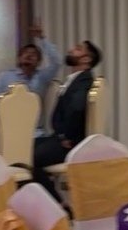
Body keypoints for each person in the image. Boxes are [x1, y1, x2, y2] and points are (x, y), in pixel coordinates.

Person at [32, 39, 102, 194]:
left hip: (70, 143)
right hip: (60, 137)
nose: (71, 50)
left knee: (29, 158)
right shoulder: (78, 79)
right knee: (22, 150)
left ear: (86, 59)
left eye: (77, 49)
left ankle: (55, 201)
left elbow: (77, 108)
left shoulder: (84, 81)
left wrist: (66, 136)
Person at [0, 21, 62, 106]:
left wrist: (41, 37)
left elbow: (56, 62)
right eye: (25, 53)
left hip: (33, 113)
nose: (29, 55)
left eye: (33, 54)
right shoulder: (5, 76)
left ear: (39, 61)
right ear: (19, 58)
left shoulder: (42, 77)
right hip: (8, 113)